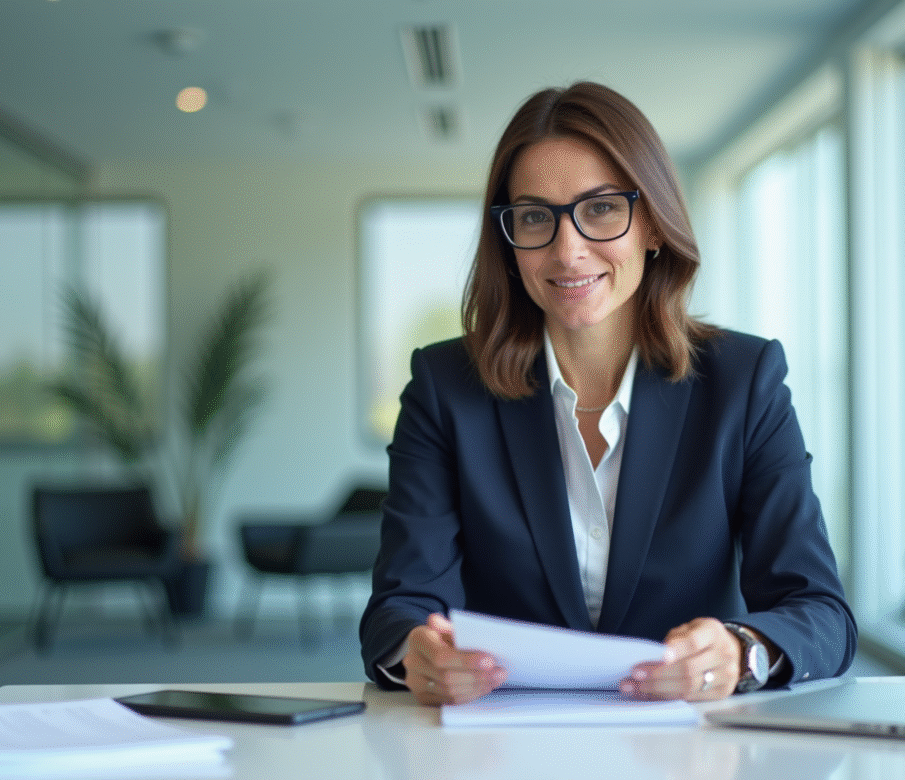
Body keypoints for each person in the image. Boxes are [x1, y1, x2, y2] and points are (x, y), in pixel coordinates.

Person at [359, 81, 856, 706]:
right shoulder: (445, 388)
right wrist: (418, 655)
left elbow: (820, 612)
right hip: (499, 749)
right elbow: (398, 607)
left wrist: (737, 652)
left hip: (688, 753)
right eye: (536, 216)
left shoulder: (743, 380)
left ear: (651, 222)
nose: (567, 252)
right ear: (509, 243)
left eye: (600, 210)